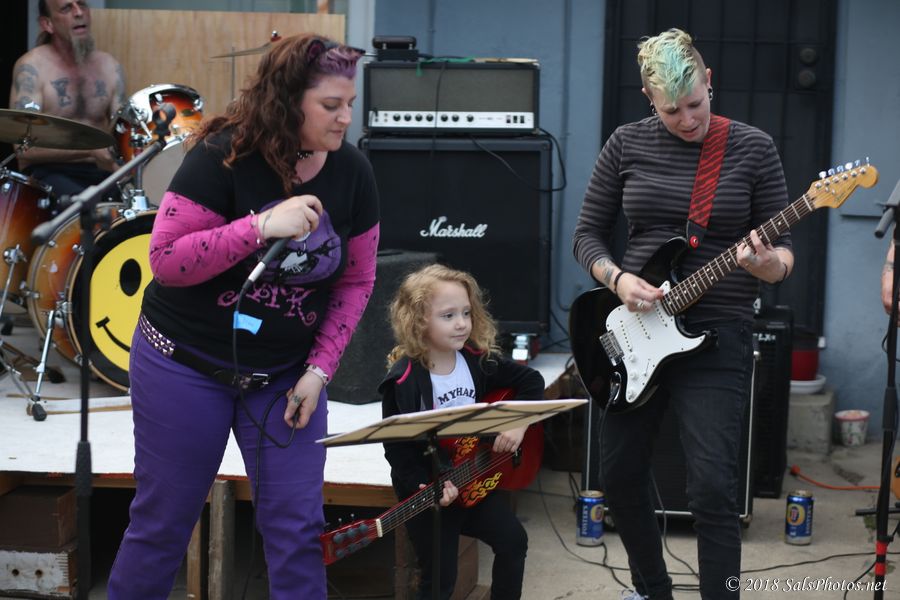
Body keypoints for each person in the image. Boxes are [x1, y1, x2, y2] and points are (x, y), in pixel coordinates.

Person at [106, 35, 377, 599]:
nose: (346, 118)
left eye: (350, 103)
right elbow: (167, 261)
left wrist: (319, 371)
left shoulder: (353, 172)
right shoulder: (221, 155)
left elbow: (356, 280)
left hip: (285, 376)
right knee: (163, 524)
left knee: (298, 531)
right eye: (331, 105)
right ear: (288, 100)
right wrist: (259, 228)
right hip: (184, 365)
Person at [572, 29, 793, 599]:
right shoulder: (626, 143)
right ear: (649, 97)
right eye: (672, 111)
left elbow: (785, 259)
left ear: (709, 81)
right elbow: (586, 236)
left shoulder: (753, 148)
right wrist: (617, 279)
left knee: (714, 489)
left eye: (695, 103)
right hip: (635, 331)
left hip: (717, 334)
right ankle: (653, 589)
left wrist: (766, 264)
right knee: (619, 476)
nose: (688, 119)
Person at [379, 264, 544, 600]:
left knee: (514, 541)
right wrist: (424, 485)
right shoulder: (403, 381)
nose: (461, 323)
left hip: (473, 479)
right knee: (440, 582)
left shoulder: (475, 360)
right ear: (418, 320)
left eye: (466, 313)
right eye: (448, 315)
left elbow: (531, 381)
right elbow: (397, 449)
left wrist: (518, 424)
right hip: (430, 496)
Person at [8, 0, 124, 196]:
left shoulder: (109, 66)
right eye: (67, 8)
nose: (78, 13)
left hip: (100, 171)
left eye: (82, 4)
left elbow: (122, 133)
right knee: (82, 206)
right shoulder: (31, 68)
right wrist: (90, 151)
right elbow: (23, 148)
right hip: (48, 171)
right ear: (47, 24)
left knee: (136, 207)